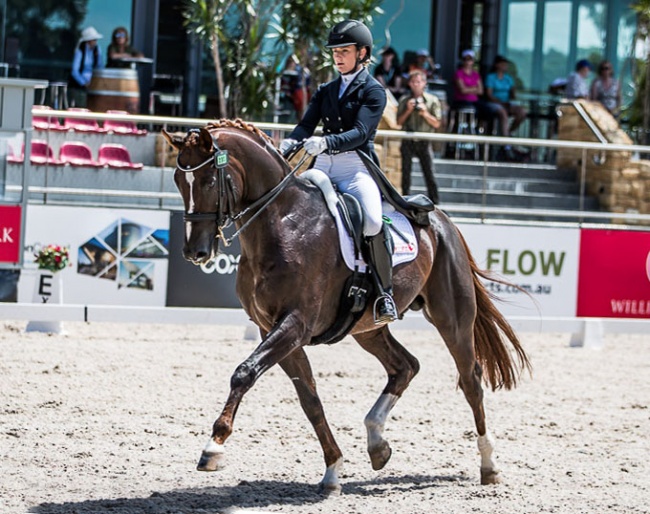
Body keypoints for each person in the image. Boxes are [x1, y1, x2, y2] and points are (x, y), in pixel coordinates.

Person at [279, 19, 397, 324]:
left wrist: (327, 141)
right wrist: (290, 143)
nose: (338, 57)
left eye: (344, 51)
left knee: (371, 221)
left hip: (355, 167)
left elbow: (360, 132)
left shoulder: (374, 92)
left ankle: (384, 293)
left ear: (362, 53)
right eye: (335, 52)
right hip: (323, 167)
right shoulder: (326, 90)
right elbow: (306, 125)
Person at [396, 69, 441, 204]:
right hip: (408, 140)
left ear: (424, 83)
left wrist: (425, 113)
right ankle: (405, 202)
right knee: (406, 174)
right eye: (414, 82)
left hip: (424, 141)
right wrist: (408, 110)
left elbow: (437, 123)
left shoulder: (432, 100)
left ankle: (435, 203)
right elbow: (398, 122)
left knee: (430, 174)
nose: (416, 84)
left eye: (419, 82)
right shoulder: (404, 100)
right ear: (409, 83)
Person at [484, 55, 528, 161]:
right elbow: (489, 95)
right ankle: (506, 144)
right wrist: (502, 102)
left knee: (522, 112)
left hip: (507, 103)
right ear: (497, 65)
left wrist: (513, 92)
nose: (505, 66)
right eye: (502, 64)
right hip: (494, 103)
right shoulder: (491, 77)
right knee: (503, 113)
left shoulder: (508, 78)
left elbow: (513, 94)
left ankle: (508, 132)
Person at [69, 26, 104, 107]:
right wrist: (84, 83)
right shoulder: (80, 51)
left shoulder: (97, 50)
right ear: (88, 41)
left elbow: (99, 66)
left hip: (94, 85)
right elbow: (74, 71)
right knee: (81, 106)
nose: (95, 42)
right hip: (79, 87)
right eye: (94, 39)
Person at [279, 54, 311, 121]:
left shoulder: (301, 71)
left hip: (298, 95)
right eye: (290, 62)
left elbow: (306, 82)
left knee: (300, 113)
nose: (291, 64)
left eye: (293, 62)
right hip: (289, 97)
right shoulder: (285, 72)